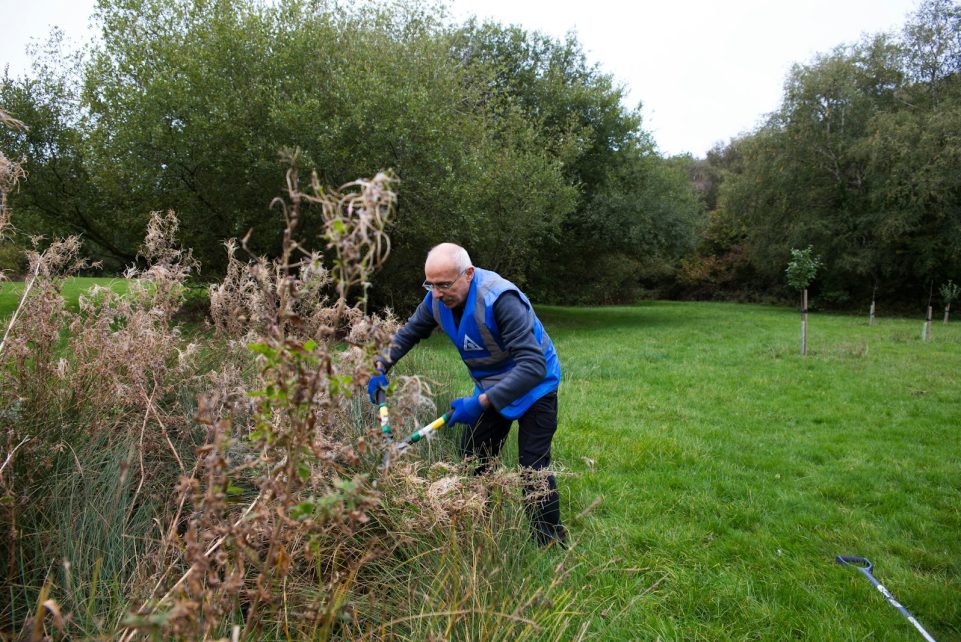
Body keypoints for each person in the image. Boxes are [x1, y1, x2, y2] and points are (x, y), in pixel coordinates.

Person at [368, 243, 566, 546]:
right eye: (430, 284)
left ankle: (551, 543)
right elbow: (409, 333)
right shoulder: (435, 299)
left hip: (535, 387)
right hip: (490, 386)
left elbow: (533, 366)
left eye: (444, 284)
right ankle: (482, 529)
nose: (436, 293)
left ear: (469, 274)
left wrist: (480, 403)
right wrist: (381, 365)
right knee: (473, 459)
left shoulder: (500, 299)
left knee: (532, 470)